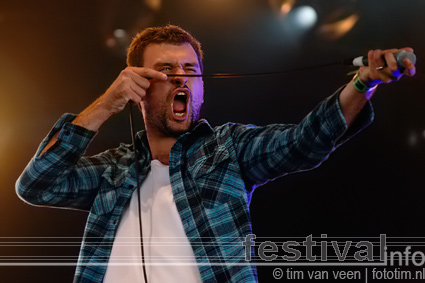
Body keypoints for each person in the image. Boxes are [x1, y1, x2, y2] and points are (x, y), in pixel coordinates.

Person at [16, 25, 416, 283]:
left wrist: (363, 83)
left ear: (203, 87)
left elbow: (303, 141)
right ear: (136, 84)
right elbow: (37, 184)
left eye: (190, 68)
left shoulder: (229, 150)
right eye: (165, 68)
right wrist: (106, 103)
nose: (180, 76)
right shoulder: (112, 170)